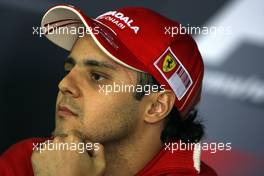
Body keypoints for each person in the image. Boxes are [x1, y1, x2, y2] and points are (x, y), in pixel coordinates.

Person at [0, 4, 217, 176]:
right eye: (69, 69)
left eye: (96, 76)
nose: (64, 84)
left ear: (155, 106)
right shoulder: (28, 158)